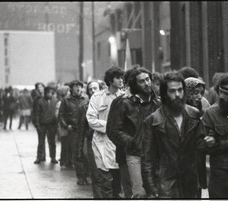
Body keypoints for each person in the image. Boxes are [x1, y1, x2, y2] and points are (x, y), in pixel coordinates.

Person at [141, 71, 201, 198]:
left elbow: (199, 149)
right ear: (164, 94)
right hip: (165, 184)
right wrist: (151, 188)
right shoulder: (153, 121)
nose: (177, 95)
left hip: (189, 182)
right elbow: (147, 159)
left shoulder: (194, 114)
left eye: (180, 90)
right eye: (172, 91)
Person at [108, 67, 162, 198]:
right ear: (134, 84)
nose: (147, 83)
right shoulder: (122, 102)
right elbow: (113, 130)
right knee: (136, 193)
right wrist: (132, 142)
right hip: (132, 155)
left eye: (148, 79)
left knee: (157, 193)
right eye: (142, 81)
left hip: (156, 156)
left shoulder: (158, 102)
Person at [86, 66, 124, 198]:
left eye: (122, 77)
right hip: (102, 145)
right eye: (118, 78)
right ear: (110, 80)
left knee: (118, 186)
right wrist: (110, 127)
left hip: (119, 145)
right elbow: (91, 119)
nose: (121, 80)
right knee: (105, 183)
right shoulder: (97, 97)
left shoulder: (125, 97)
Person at [58, 80, 88, 185]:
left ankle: (87, 175)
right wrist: (66, 125)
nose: (78, 88)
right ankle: (80, 176)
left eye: (80, 86)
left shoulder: (86, 99)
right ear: (71, 88)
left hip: (86, 130)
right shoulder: (66, 100)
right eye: (76, 86)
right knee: (77, 153)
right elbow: (61, 115)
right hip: (74, 130)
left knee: (86, 153)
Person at [76, 80, 103, 197]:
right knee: (95, 174)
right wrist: (79, 151)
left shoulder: (108, 103)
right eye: (91, 89)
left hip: (107, 142)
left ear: (100, 89)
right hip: (92, 142)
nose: (93, 91)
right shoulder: (84, 107)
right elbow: (81, 131)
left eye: (95, 88)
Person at [33, 86, 58, 164]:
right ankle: (39, 157)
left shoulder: (55, 100)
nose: (50, 94)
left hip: (52, 124)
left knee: (52, 142)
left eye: (52, 93)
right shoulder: (40, 101)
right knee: (41, 142)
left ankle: (53, 157)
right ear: (46, 93)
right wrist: (37, 125)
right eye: (49, 93)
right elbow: (37, 114)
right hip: (43, 124)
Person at [55, 85, 70, 164]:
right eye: (68, 91)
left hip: (65, 126)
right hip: (63, 127)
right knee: (64, 144)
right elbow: (57, 115)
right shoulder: (60, 103)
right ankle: (64, 161)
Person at [31, 82, 45, 161]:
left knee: (50, 141)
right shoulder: (36, 99)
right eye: (38, 87)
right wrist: (36, 123)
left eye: (41, 87)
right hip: (40, 122)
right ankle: (40, 156)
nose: (40, 88)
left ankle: (44, 156)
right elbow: (34, 111)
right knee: (41, 140)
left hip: (47, 121)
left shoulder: (47, 97)